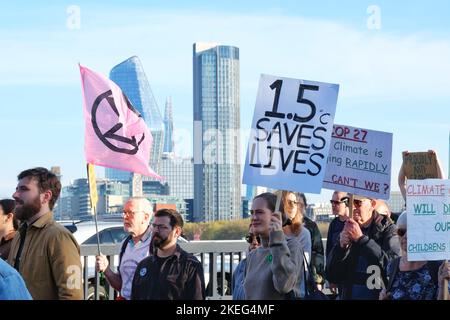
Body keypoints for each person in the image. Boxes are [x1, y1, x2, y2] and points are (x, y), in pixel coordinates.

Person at [7, 167, 83, 300]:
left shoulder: (58, 237)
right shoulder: (20, 234)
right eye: (17, 189)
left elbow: (72, 296)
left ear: (45, 197)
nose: (15, 194)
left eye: (23, 189)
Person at [326, 194, 401, 299]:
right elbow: (331, 275)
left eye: (357, 202)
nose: (352, 206)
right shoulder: (347, 229)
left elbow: (392, 267)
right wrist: (341, 247)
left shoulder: (388, 230)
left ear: (372, 204)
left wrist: (362, 240)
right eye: (349, 202)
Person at [131, 209, 205, 300]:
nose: (156, 231)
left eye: (162, 227)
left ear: (177, 232)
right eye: (154, 226)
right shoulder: (144, 265)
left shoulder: (190, 265)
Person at [244, 192, 303, 300]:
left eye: (260, 212)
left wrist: (277, 239)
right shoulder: (253, 255)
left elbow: (284, 285)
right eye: (252, 213)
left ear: (276, 215)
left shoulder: (292, 246)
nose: (254, 217)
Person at [380, 212, 450, 300]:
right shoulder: (393, 266)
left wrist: (443, 286)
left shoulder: (439, 267)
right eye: (401, 232)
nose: (405, 236)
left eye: (411, 231)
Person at [95, 197, 153, 300]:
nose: (125, 216)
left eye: (130, 213)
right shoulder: (125, 244)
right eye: (124, 212)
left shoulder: (156, 243)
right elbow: (122, 285)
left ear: (145, 217)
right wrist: (106, 270)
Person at [298, 193, 325, 291]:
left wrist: (318, 280)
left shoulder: (311, 226)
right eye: (295, 204)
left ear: (305, 206)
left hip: (307, 276)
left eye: (300, 205)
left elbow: (318, 253)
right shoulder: (283, 225)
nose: (298, 207)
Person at [325, 191, 349, 296]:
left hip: (351, 276)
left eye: (337, 202)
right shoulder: (333, 224)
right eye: (332, 202)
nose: (333, 205)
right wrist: (331, 279)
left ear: (347, 203)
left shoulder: (354, 222)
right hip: (338, 277)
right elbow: (329, 252)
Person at [232, 225, 261, 300]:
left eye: (259, 238)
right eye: (250, 238)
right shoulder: (241, 266)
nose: (254, 242)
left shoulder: (272, 265)